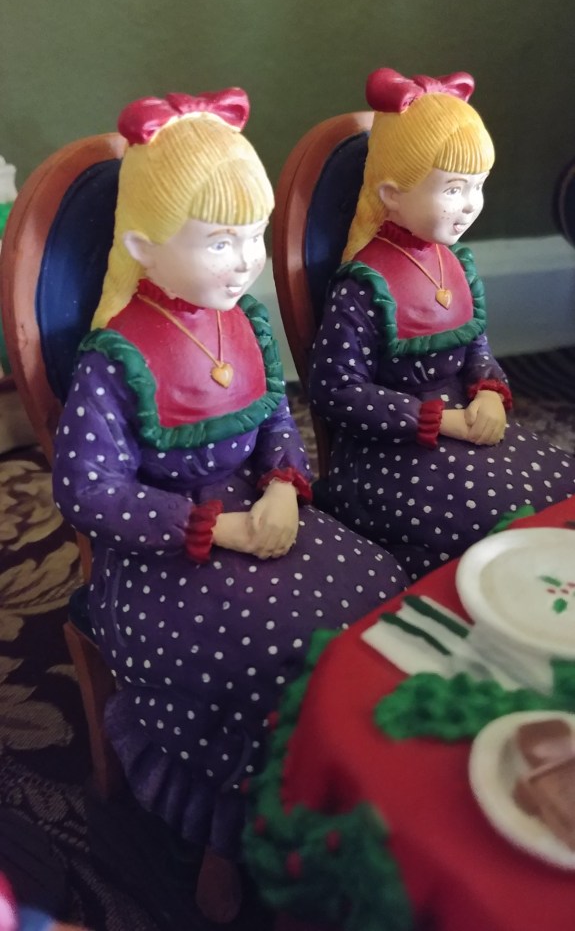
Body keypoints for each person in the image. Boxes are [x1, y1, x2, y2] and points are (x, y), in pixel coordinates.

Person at [52, 89, 408, 922]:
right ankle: (229, 828)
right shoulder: (114, 360)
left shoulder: (243, 319)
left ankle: (342, 781)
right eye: (220, 240)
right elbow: (88, 490)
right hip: (157, 556)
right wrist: (215, 526)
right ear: (141, 246)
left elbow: (276, 416)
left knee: (380, 587)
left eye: (254, 234)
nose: (246, 260)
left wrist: (281, 482)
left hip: (259, 514)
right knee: (256, 659)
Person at [309, 67, 575, 581]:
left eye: (477, 187)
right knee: (486, 517)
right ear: (392, 194)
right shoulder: (364, 286)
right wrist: (436, 420)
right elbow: (336, 390)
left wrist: (489, 391)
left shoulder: (457, 265)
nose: (470, 205)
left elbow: (477, 347)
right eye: (453, 189)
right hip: (390, 447)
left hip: (465, 422)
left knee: (557, 484)